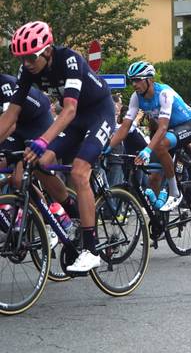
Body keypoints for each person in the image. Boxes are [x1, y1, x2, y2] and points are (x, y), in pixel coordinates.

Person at [4, 21, 115, 272]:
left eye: (31, 57)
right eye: (21, 58)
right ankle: (72, 211)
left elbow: (69, 109)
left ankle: (91, 250)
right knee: (40, 163)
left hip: (98, 112)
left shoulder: (70, 60)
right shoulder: (28, 71)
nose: (27, 64)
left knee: (78, 171)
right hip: (74, 120)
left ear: (46, 50)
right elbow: (11, 114)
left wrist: (43, 140)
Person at [107, 61, 191, 211]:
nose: (134, 84)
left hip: (186, 126)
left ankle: (175, 192)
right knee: (153, 178)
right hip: (167, 132)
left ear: (150, 80)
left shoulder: (164, 94)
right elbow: (125, 127)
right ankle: (158, 220)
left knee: (160, 145)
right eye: (132, 80)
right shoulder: (136, 97)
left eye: (138, 80)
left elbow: (162, 128)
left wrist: (147, 150)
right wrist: (108, 147)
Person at [0, 73, 53, 188]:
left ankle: (40, 205)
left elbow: (10, 123)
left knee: (19, 181)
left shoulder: (6, 84)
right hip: (16, 128)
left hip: (37, 124)